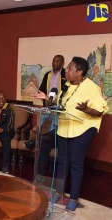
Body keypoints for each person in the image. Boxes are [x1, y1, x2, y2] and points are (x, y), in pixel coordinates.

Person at [35, 57, 109, 211]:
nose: (66, 71)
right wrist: (47, 99)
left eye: (69, 69)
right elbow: (61, 104)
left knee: (76, 164)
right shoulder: (67, 85)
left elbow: (101, 110)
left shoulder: (92, 87)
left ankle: (74, 198)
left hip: (83, 130)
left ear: (79, 72)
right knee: (62, 162)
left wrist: (87, 110)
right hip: (65, 128)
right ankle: (59, 192)